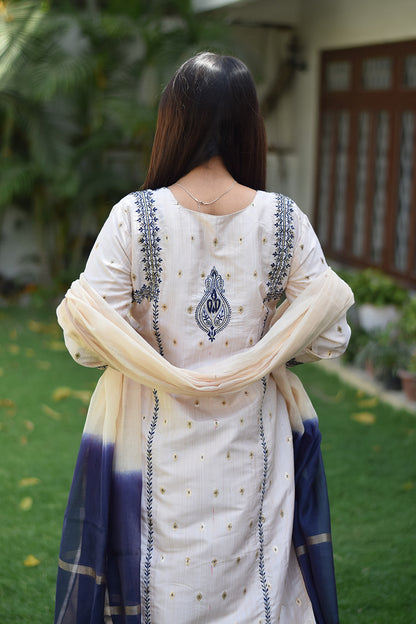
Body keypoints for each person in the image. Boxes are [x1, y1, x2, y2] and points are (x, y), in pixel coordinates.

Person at [54, 52, 353, 624]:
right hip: (254, 445)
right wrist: (266, 347)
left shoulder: (133, 219)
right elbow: (330, 333)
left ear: (174, 121)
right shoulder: (282, 219)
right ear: (250, 125)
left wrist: (148, 351)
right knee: (257, 583)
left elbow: (87, 343)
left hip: (154, 443)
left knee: (161, 584)